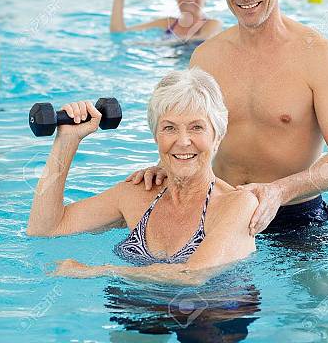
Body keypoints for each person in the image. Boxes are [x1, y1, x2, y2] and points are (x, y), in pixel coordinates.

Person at [128, 0, 328, 235]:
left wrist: (278, 191)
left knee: (318, 285)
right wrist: (169, 168)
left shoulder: (320, 57)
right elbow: (193, 136)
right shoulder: (205, 58)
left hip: (296, 216)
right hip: (219, 210)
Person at [27, 68, 258, 284]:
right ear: (156, 136)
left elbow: (193, 276)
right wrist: (67, 141)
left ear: (217, 136)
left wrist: (96, 271)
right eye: (169, 128)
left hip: (211, 317)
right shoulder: (137, 193)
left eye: (197, 128)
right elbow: (45, 229)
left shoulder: (237, 205)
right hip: (137, 310)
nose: (183, 141)